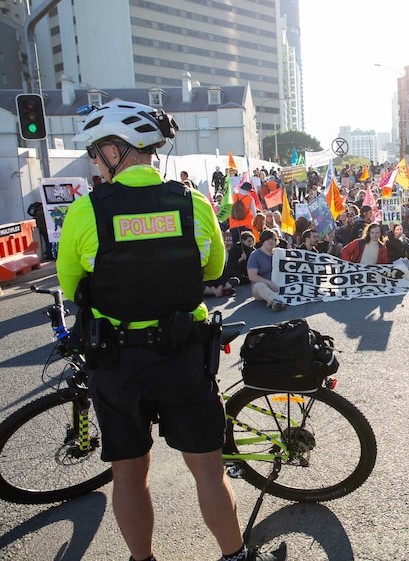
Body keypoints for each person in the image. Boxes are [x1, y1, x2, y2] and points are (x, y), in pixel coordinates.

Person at [56, 101, 283, 561]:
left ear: (117, 150)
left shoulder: (86, 212)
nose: (95, 162)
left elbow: (71, 284)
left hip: (118, 362)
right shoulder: (192, 204)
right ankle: (236, 557)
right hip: (183, 355)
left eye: (97, 153)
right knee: (208, 471)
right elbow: (215, 267)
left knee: (129, 475)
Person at [248, 229, 288, 312]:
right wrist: (269, 283)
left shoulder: (279, 253)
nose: (271, 241)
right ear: (263, 241)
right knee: (260, 286)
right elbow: (252, 276)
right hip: (261, 286)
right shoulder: (255, 255)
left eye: (273, 239)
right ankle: (275, 302)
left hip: (279, 284)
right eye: (268, 239)